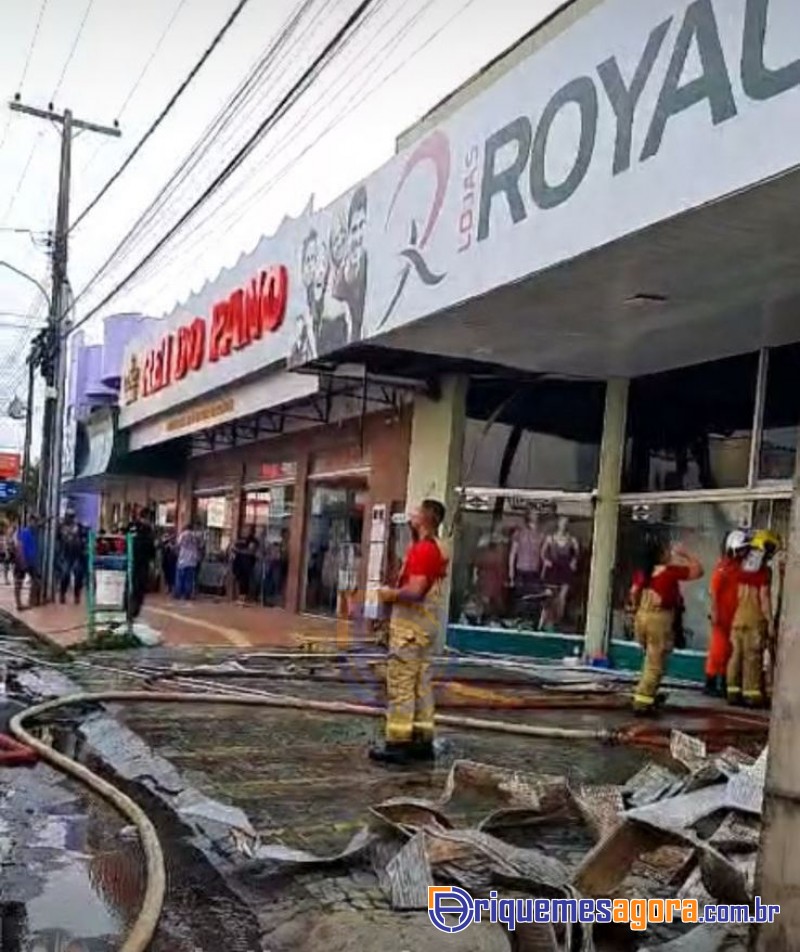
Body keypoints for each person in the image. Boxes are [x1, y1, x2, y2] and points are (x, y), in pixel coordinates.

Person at [370, 499, 448, 766]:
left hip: (410, 629)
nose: (411, 516)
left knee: (402, 684)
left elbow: (416, 591)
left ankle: (398, 743)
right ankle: (422, 740)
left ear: (425, 518)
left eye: (415, 512)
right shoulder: (436, 549)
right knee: (421, 685)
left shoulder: (423, 551)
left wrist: (390, 594)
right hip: (424, 628)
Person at [630, 537, 703, 714]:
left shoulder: (643, 573)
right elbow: (698, 571)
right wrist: (685, 554)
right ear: (660, 555)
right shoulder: (669, 572)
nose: (669, 553)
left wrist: (635, 610)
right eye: (666, 551)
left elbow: (633, 593)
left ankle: (647, 695)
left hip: (641, 617)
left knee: (649, 660)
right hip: (659, 620)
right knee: (656, 663)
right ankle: (643, 703)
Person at [727, 530, 779, 708]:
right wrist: (770, 622)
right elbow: (764, 598)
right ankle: (752, 695)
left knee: (735, 656)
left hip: (736, 618)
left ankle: (732, 692)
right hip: (755, 620)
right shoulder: (764, 572)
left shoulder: (739, 566)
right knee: (752, 657)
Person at [705, 529, 750, 697]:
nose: (744, 552)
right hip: (722, 615)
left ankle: (725, 683)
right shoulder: (723, 568)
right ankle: (710, 682)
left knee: (730, 651)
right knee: (719, 649)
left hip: (735, 614)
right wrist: (715, 612)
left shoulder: (741, 567)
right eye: (741, 549)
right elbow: (714, 592)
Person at [126, 509, 156, 620]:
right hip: (141, 562)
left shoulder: (131, 526)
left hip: (130, 560)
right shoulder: (147, 530)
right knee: (139, 587)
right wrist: (153, 562)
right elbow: (150, 547)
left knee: (130, 585)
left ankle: (128, 608)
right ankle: (133, 610)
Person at [57, 511, 87, 605]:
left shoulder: (78, 526)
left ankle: (77, 595)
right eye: (68, 516)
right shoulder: (61, 527)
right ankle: (62, 594)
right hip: (66, 554)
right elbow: (58, 539)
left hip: (77, 555)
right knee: (65, 575)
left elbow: (84, 535)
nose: (69, 518)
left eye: (71, 516)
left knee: (78, 575)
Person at [13, 514, 41, 611]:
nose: (35, 524)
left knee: (36, 581)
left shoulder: (34, 532)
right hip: (23, 560)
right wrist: (22, 562)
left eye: (36, 522)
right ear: (30, 521)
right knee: (19, 582)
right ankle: (19, 604)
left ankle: (30, 602)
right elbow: (20, 548)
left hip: (31, 562)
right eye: (34, 521)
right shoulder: (25, 532)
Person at [174, 524, 202, 600]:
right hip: (192, 560)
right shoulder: (196, 536)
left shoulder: (182, 535)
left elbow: (177, 545)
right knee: (189, 579)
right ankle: (187, 594)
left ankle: (178, 593)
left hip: (182, 559)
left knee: (180, 578)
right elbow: (200, 546)